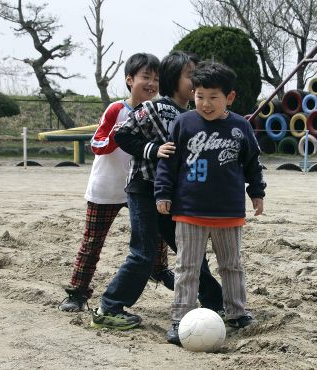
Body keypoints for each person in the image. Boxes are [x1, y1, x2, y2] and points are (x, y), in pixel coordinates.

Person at [91, 51, 224, 330]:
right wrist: (153, 150)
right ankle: (109, 308)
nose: (196, 80)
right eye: (191, 75)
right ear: (174, 78)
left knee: (191, 251)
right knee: (143, 252)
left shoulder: (192, 116)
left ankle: (214, 304)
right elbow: (122, 134)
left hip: (172, 196)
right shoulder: (155, 108)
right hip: (143, 189)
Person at [154, 61, 266, 345]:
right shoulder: (183, 123)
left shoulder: (240, 127)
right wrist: (163, 193)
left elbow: (253, 163)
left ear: (229, 97)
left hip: (228, 212)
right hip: (189, 211)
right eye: (199, 96)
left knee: (231, 265)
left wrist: (257, 192)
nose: (205, 103)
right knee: (187, 267)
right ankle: (180, 318)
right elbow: (168, 163)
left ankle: (237, 312)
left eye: (213, 97)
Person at [59, 53, 165, 312]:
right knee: (93, 241)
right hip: (107, 187)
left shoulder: (158, 112)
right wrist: (119, 137)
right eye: (145, 77)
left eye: (156, 79)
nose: (151, 84)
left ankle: (159, 270)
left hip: (140, 187)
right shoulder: (117, 110)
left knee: (157, 234)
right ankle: (77, 292)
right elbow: (97, 143)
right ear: (130, 80)